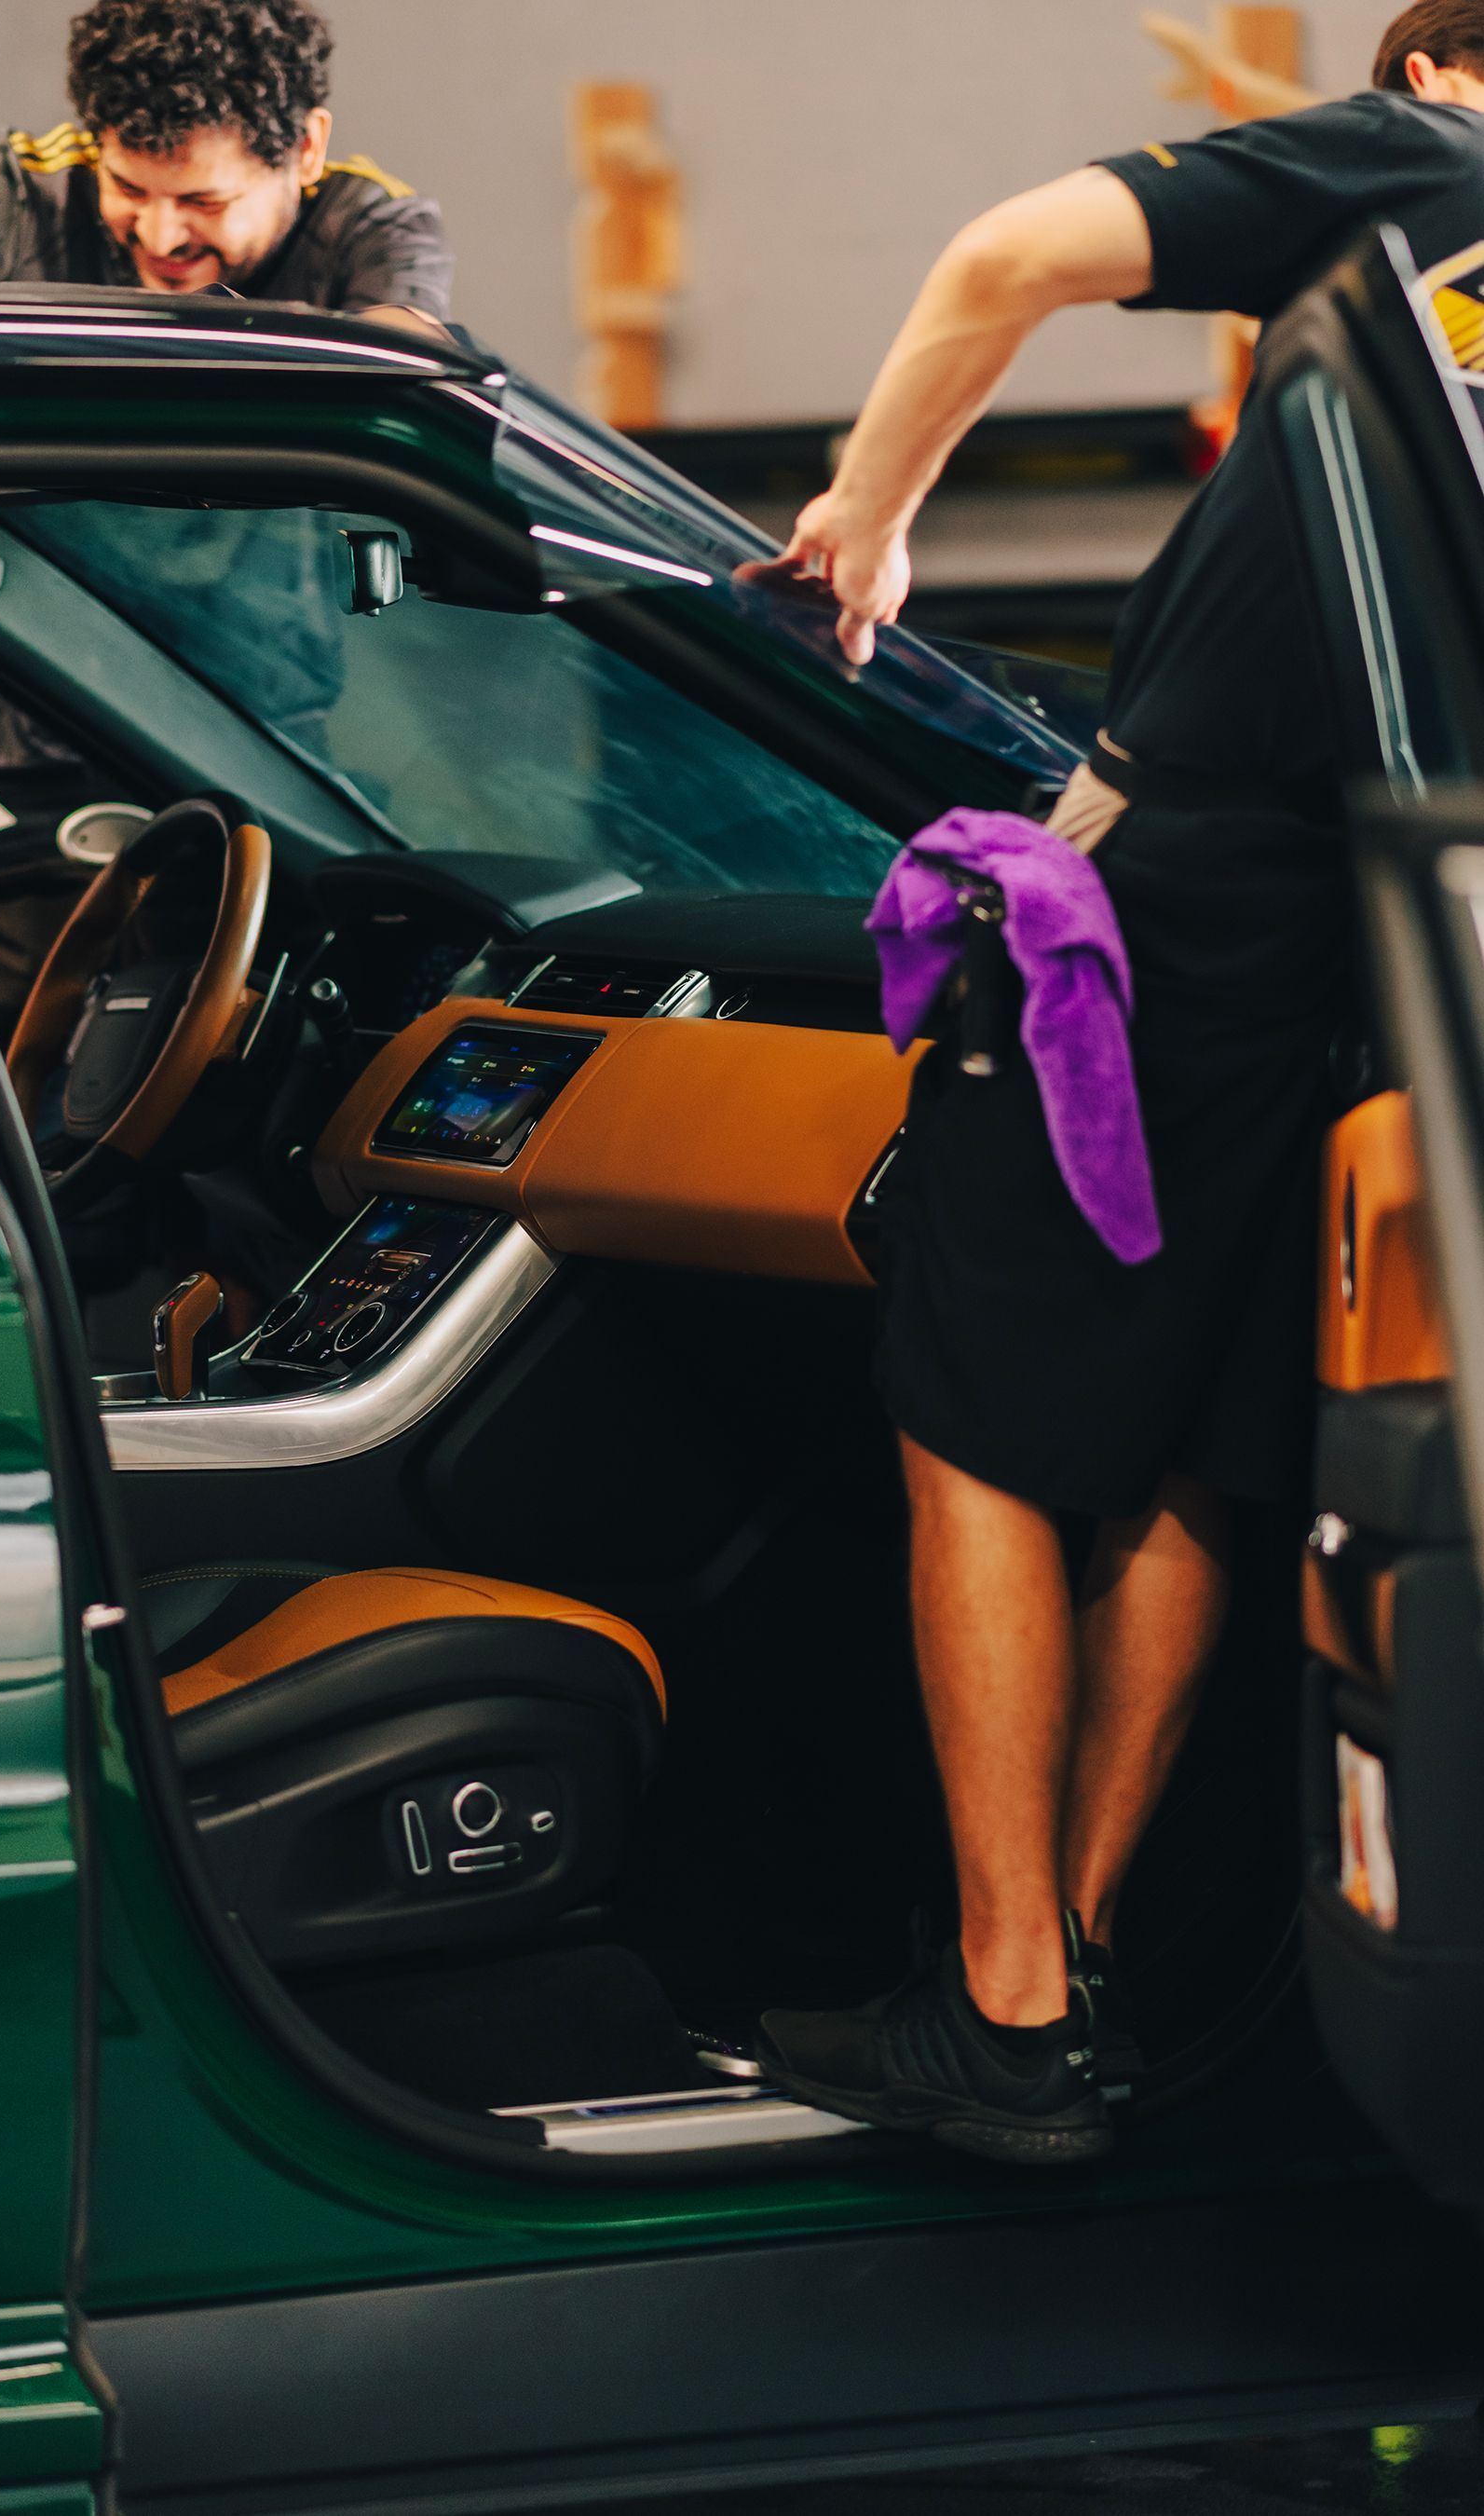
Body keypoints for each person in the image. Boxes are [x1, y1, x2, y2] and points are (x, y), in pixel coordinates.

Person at [754, 1, 1484, 2163]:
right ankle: (1061, 1972)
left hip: (1171, 916)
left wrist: (867, 515)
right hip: (1366, 934)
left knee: (968, 1409)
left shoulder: (1424, 168)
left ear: (1429, 72)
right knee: (1193, 1448)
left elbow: (1005, 255)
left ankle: (1002, 1998)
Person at [0, 0, 452, 324]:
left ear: (306, 150)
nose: (161, 237)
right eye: (129, 189)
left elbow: (411, 352)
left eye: (203, 201)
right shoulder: (4, 193)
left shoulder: (371, 226)